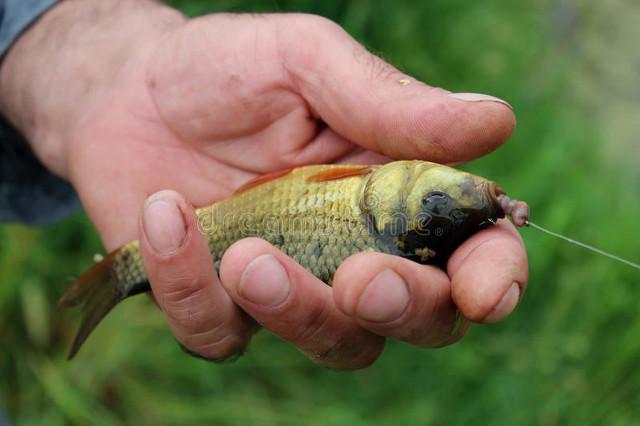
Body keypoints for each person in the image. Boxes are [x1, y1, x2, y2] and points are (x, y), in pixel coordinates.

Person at [0, 0, 527, 369]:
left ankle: (126, 272)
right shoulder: (375, 186)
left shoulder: (375, 195)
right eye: (444, 196)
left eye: (438, 200)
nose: (463, 188)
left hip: (236, 222)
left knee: (318, 289)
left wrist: (83, 79)